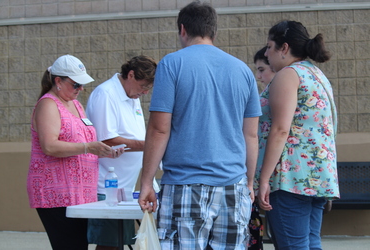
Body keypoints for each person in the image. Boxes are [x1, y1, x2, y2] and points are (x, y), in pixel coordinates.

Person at [138, 1, 262, 249]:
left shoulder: (172, 64)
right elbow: (250, 135)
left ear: (182, 29)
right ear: (213, 32)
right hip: (233, 187)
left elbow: (159, 129)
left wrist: (146, 182)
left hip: (185, 184)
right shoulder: (243, 70)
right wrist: (249, 183)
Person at [256, 20, 340, 250]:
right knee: (310, 244)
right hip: (317, 176)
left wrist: (264, 179)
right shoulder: (316, 74)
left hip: (290, 179)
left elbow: (281, 129)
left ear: (284, 48)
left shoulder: (288, 75)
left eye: (270, 46)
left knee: (293, 246)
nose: (266, 52)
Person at [27, 54, 122, 250]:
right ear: (58, 81)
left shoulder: (75, 104)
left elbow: (83, 142)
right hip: (57, 193)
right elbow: (50, 146)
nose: (81, 89)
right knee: (70, 245)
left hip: (81, 193)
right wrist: (88, 147)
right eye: (76, 84)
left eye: (82, 84)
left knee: (80, 244)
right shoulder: (48, 104)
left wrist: (103, 151)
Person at [85, 55, 157, 250]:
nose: (144, 92)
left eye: (148, 89)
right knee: (109, 245)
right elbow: (107, 140)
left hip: (125, 186)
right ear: (131, 75)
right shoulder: (106, 94)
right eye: (143, 86)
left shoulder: (131, 95)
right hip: (106, 186)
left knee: (119, 243)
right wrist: (149, 145)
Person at [248, 46, 276, 250]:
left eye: (262, 69)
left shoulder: (280, 88)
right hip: (260, 174)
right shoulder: (268, 90)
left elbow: (280, 130)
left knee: (291, 241)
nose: (258, 76)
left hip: (272, 176)